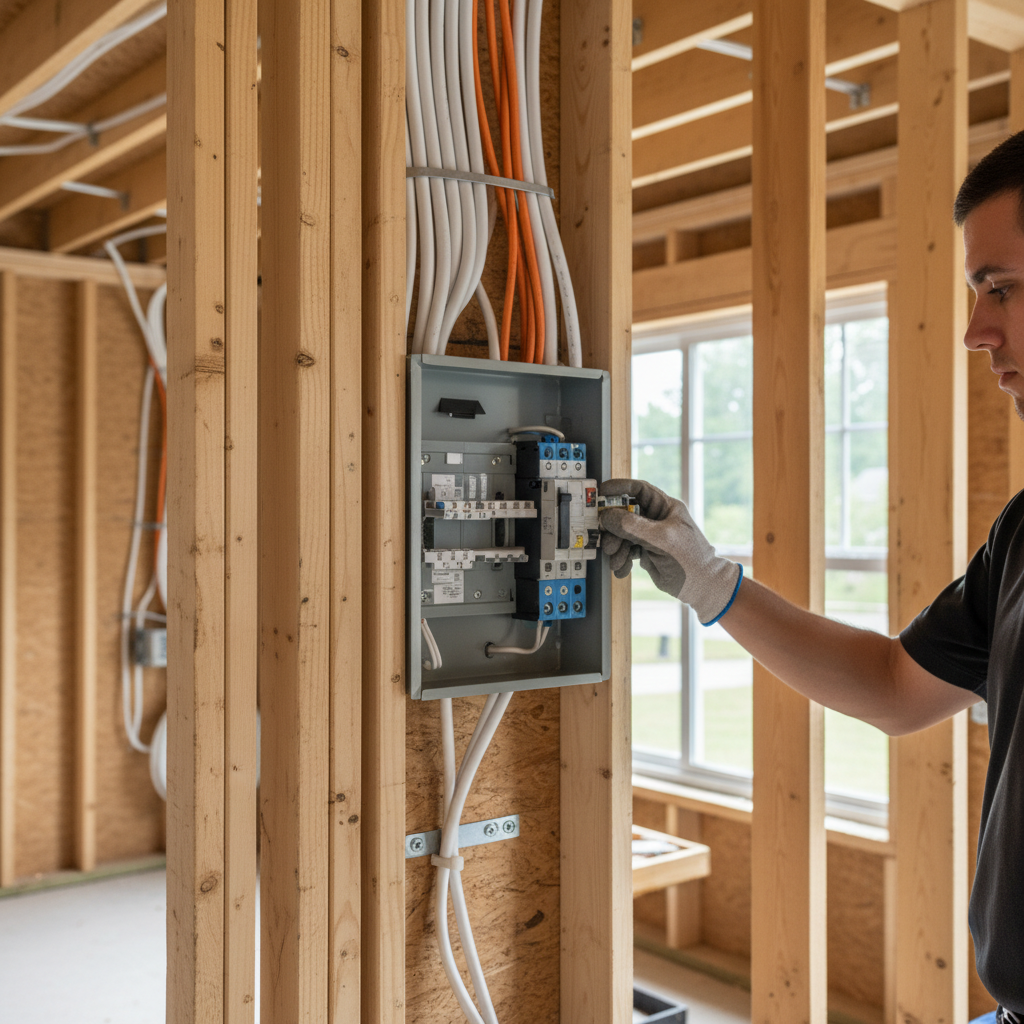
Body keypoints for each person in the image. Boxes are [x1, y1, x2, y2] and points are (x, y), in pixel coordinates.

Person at [600, 130, 1024, 1015]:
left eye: (1002, 290)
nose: (975, 332)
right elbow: (897, 686)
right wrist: (711, 579)